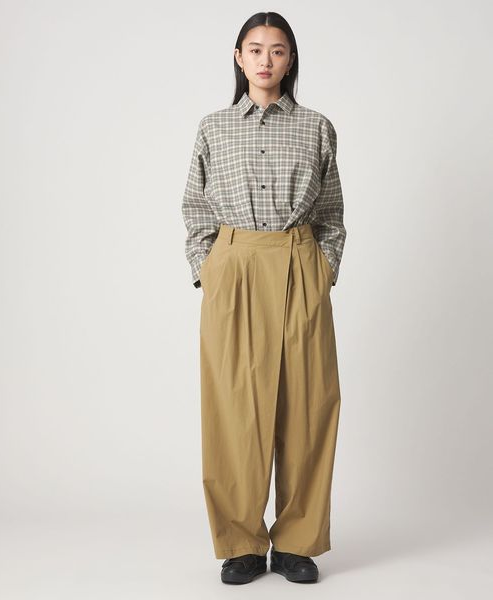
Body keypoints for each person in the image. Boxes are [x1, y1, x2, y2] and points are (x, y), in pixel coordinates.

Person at [182, 11, 347, 585]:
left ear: (290, 59)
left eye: (277, 50)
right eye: (255, 49)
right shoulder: (213, 127)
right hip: (234, 265)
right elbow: (195, 208)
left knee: (308, 403)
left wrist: (323, 270)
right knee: (233, 407)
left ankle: (297, 542)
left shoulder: (316, 126)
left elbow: (332, 212)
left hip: (299, 260)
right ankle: (242, 543)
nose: (265, 60)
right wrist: (209, 271)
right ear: (238, 57)